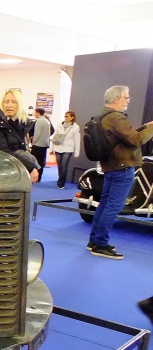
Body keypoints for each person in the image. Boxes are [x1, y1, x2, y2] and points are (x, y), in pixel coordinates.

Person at [87, 85, 153, 259]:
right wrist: (151, 129)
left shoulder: (104, 116)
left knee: (105, 204)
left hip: (111, 165)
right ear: (116, 99)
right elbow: (136, 140)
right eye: (126, 97)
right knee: (113, 206)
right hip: (122, 167)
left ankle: (95, 240)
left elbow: (124, 137)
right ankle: (100, 243)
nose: (128, 100)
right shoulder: (116, 118)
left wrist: (144, 127)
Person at [0, 88, 40, 182]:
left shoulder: (20, 124)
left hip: (16, 172)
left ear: (19, 105)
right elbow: (1, 152)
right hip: (1, 174)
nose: (9, 105)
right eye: (6, 102)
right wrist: (30, 167)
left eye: (13, 102)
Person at [50, 110, 80, 189]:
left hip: (68, 148)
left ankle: (61, 183)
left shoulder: (75, 127)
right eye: (65, 116)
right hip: (58, 147)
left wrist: (77, 153)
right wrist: (51, 149)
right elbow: (55, 137)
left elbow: (77, 140)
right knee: (60, 166)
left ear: (72, 117)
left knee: (64, 165)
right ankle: (61, 180)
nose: (65, 118)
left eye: (67, 116)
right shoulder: (59, 125)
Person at [30, 107, 51, 179]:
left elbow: (37, 134)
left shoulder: (39, 121)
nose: (34, 114)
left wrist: (33, 142)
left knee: (34, 160)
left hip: (38, 144)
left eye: (35, 112)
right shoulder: (47, 121)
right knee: (42, 161)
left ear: (38, 112)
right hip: (44, 144)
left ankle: (35, 176)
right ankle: (40, 177)